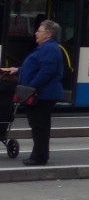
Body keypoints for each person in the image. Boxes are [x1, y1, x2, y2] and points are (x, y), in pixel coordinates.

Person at [1, 18, 65, 165]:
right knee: (38, 126)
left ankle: (39, 157)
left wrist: (30, 88)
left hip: (42, 94)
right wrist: (18, 70)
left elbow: (46, 72)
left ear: (48, 34)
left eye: (39, 31)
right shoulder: (47, 48)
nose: (36, 33)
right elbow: (35, 67)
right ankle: (38, 155)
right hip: (40, 93)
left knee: (40, 126)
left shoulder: (49, 49)